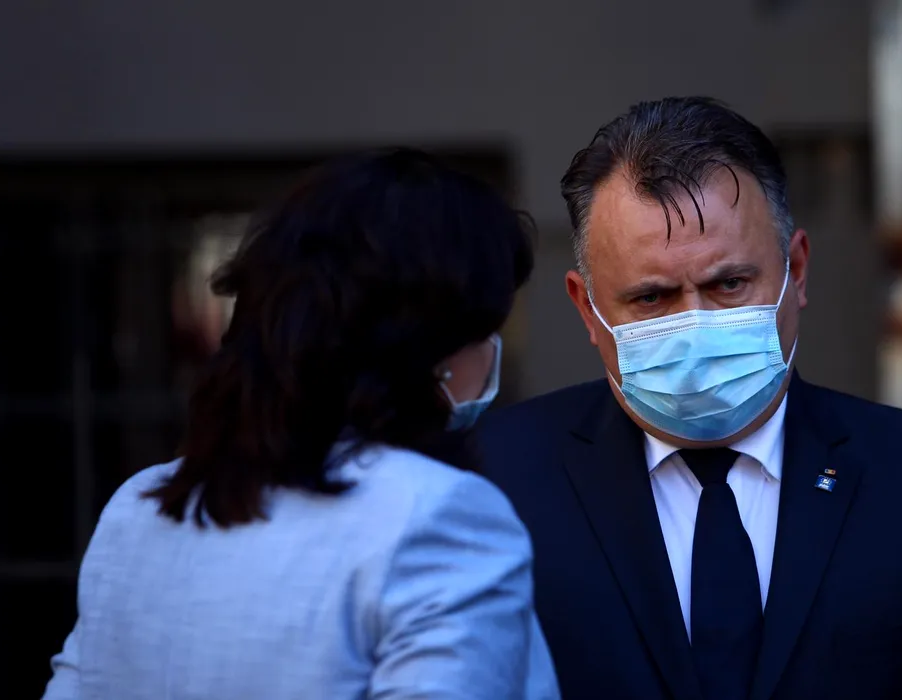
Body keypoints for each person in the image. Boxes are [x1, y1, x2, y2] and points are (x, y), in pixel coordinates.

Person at [476, 96, 902, 700]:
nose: (695, 326)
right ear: (587, 307)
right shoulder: (493, 484)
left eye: (730, 283)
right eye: (651, 298)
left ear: (797, 269)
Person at [42, 148, 560, 700]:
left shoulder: (140, 508)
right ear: (435, 347)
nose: (493, 351)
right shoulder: (438, 513)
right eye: (488, 326)